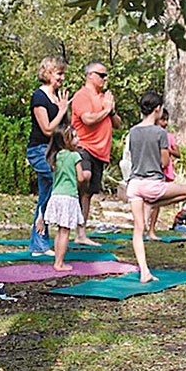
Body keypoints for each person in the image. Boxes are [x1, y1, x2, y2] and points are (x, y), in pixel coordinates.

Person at [126, 91, 186, 282]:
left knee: (138, 229)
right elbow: (165, 162)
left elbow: (134, 156)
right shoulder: (160, 132)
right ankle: (153, 203)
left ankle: (144, 272)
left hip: (134, 185)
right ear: (157, 109)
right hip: (152, 186)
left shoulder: (133, 131)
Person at [71, 61, 121, 246]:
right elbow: (88, 119)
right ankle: (63, 191)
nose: (105, 78)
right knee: (84, 176)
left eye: (106, 75)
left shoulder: (104, 97)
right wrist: (106, 110)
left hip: (100, 152)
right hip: (83, 146)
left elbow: (118, 124)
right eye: (101, 75)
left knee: (88, 193)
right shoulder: (82, 95)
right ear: (90, 75)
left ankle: (81, 234)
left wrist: (112, 110)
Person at [26, 56, 70, 256]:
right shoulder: (39, 97)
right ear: (49, 73)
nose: (62, 77)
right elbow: (47, 129)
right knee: (54, 187)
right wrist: (61, 111)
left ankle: (39, 244)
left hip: (54, 152)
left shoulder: (58, 97)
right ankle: (39, 242)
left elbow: (63, 130)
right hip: (39, 151)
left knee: (46, 194)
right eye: (59, 73)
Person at [41, 126, 90, 271]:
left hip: (56, 196)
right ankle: (59, 263)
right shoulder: (75, 156)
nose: (78, 139)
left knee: (59, 230)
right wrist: (85, 177)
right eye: (75, 136)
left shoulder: (56, 156)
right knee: (65, 231)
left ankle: (57, 260)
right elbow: (80, 178)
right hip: (69, 196)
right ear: (66, 140)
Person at [146, 107, 181, 240]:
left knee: (157, 202)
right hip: (153, 170)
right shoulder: (151, 134)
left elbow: (178, 153)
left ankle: (152, 230)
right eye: (162, 120)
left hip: (165, 172)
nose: (164, 123)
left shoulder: (169, 136)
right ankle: (144, 227)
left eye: (166, 120)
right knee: (149, 200)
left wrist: (168, 150)